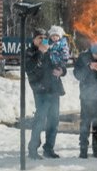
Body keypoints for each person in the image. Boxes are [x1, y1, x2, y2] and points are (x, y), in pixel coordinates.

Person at [25, 28, 67, 159]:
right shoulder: (30, 52)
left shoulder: (51, 49)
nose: (42, 40)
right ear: (34, 40)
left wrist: (62, 71)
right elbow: (29, 68)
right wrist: (40, 53)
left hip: (54, 90)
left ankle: (49, 148)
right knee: (40, 120)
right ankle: (33, 149)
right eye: (39, 38)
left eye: (44, 38)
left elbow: (61, 64)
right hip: (41, 91)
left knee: (54, 121)